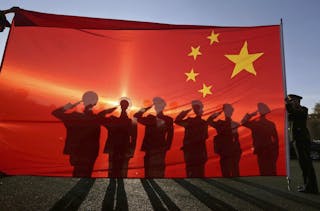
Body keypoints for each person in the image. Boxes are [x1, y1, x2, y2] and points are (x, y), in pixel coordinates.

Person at [52, 91, 110, 177]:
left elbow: (56, 113)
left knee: (77, 174)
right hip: (88, 152)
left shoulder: (75, 117)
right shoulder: (96, 118)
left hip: (79, 152)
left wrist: (70, 105)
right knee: (85, 176)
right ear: (95, 103)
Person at [286, 94, 318, 193]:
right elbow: (289, 116)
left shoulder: (303, 109)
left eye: (293, 101)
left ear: (298, 101)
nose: (292, 102)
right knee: (303, 164)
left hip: (302, 139)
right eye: (291, 101)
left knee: (307, 163)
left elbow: (295, 112)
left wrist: (287, 104)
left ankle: (312, 187)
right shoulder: (293, 111)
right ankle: (307, 186)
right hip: (296, 140)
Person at [134, 97, 174, 178]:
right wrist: (145, 109)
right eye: (156, 105)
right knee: (149, 172)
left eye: (158, 105)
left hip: (159, 148)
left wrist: (167, 146)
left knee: (158, 171)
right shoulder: (151, 119)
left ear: (162, 106)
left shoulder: (166, 119)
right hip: (152, 148)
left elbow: (170, 134)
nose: (157, 107)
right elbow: (136, 116)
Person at [100, 98, 137, 178]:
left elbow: (134, 138)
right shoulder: (127, 121)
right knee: (118, 172)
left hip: (120, 148)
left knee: (117, 172)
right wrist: (131, 151)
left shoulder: (115, 120)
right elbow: (134, 138)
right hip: (119, 148)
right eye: (122, 105)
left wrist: (131, 151)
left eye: (124, 105)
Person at [241, 103, 279, 176]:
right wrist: (275, 151)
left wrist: (250, 115)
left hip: (261, 149)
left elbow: (243, 122)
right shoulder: (270, 124)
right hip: (269, 149)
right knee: (271, 169)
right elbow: (275, 139)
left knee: (263, 169)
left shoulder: (256, 124)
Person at [175, 100, 208, 177]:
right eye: (194, 108)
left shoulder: (202, 123)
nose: (196, 109)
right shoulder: (190, 121)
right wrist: (185, 112)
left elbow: (205, 136)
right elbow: (177, 121)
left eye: (197, 107)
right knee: (190, 172)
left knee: (199, 172)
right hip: (191, 151)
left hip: (198, 151)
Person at [207, 104, 242, 177]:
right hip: (224, 152)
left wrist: (238, 151)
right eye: (227, 110)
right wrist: (217, 113)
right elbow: (209, 121)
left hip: (234, 152)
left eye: (230, 110)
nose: (229, 112)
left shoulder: (234, 124)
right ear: (224, 111)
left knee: (235, 172)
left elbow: (236, 139)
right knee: (226, 173)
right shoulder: (220, 123)